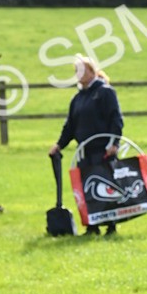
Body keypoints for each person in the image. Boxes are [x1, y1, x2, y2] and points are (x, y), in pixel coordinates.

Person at [48, 56, 124, 236]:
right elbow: (70, 127)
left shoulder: (105, 92)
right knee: (87, 189)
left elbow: (116, 119)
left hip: (103, 151)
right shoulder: (78, 98)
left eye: (82, 70)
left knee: (105, 187)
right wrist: (59, 145)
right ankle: (92, 226)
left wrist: (114, 143)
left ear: (91, 71)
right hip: (84, 152)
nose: (78, 75)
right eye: (76, 71)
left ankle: (111, 225)